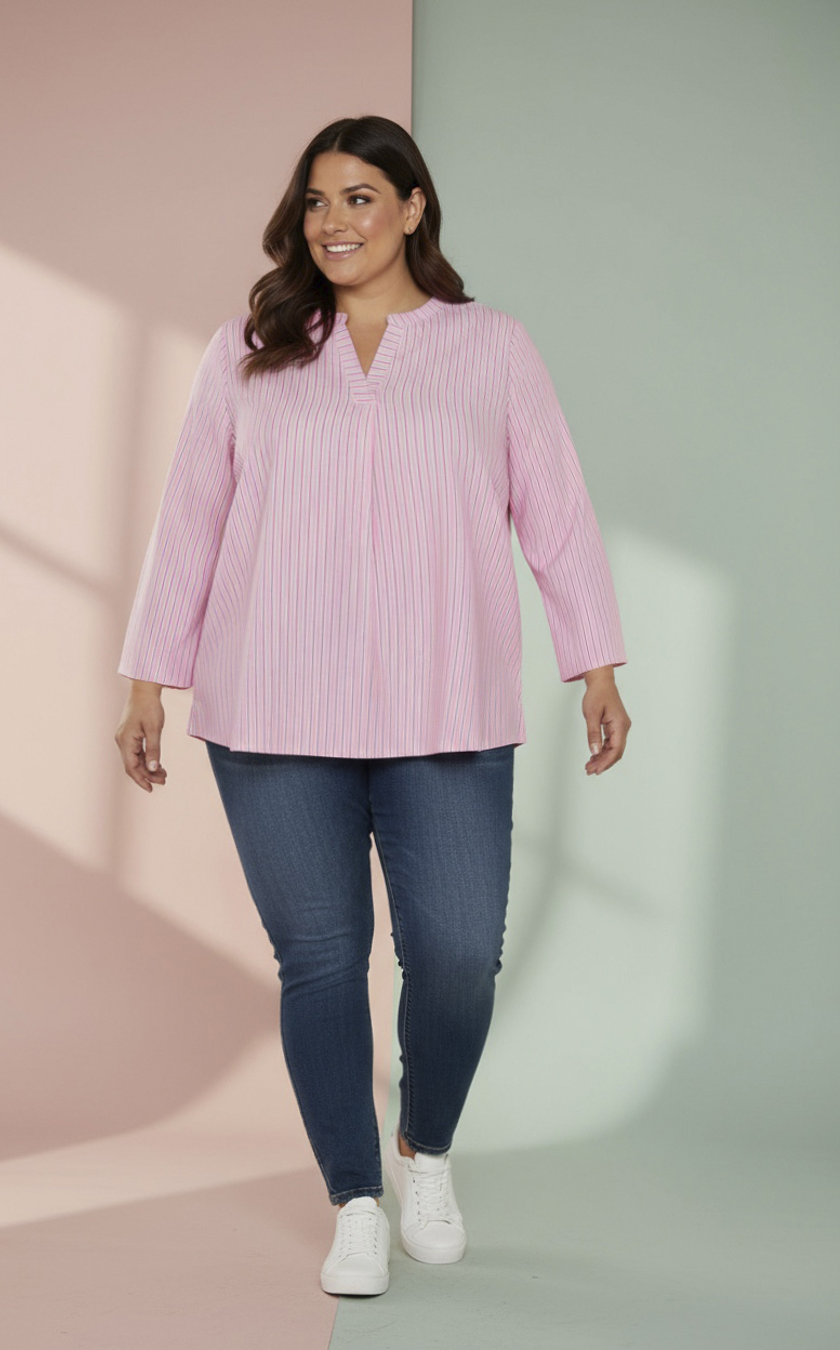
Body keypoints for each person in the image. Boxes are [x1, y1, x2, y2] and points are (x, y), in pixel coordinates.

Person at [114, 114, 631, 1298]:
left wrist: (594, 660)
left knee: (456, 956)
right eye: (315, 201)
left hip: (447, 702)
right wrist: (147, 678)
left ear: (411, 207)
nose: (333, 222)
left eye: (358, 197)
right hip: (271, 704)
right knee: (321, 958)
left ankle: (423, 1150)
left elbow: (554, 507)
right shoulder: (249, 349)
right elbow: (190, 514)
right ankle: (354, 1196)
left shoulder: (491, 348)